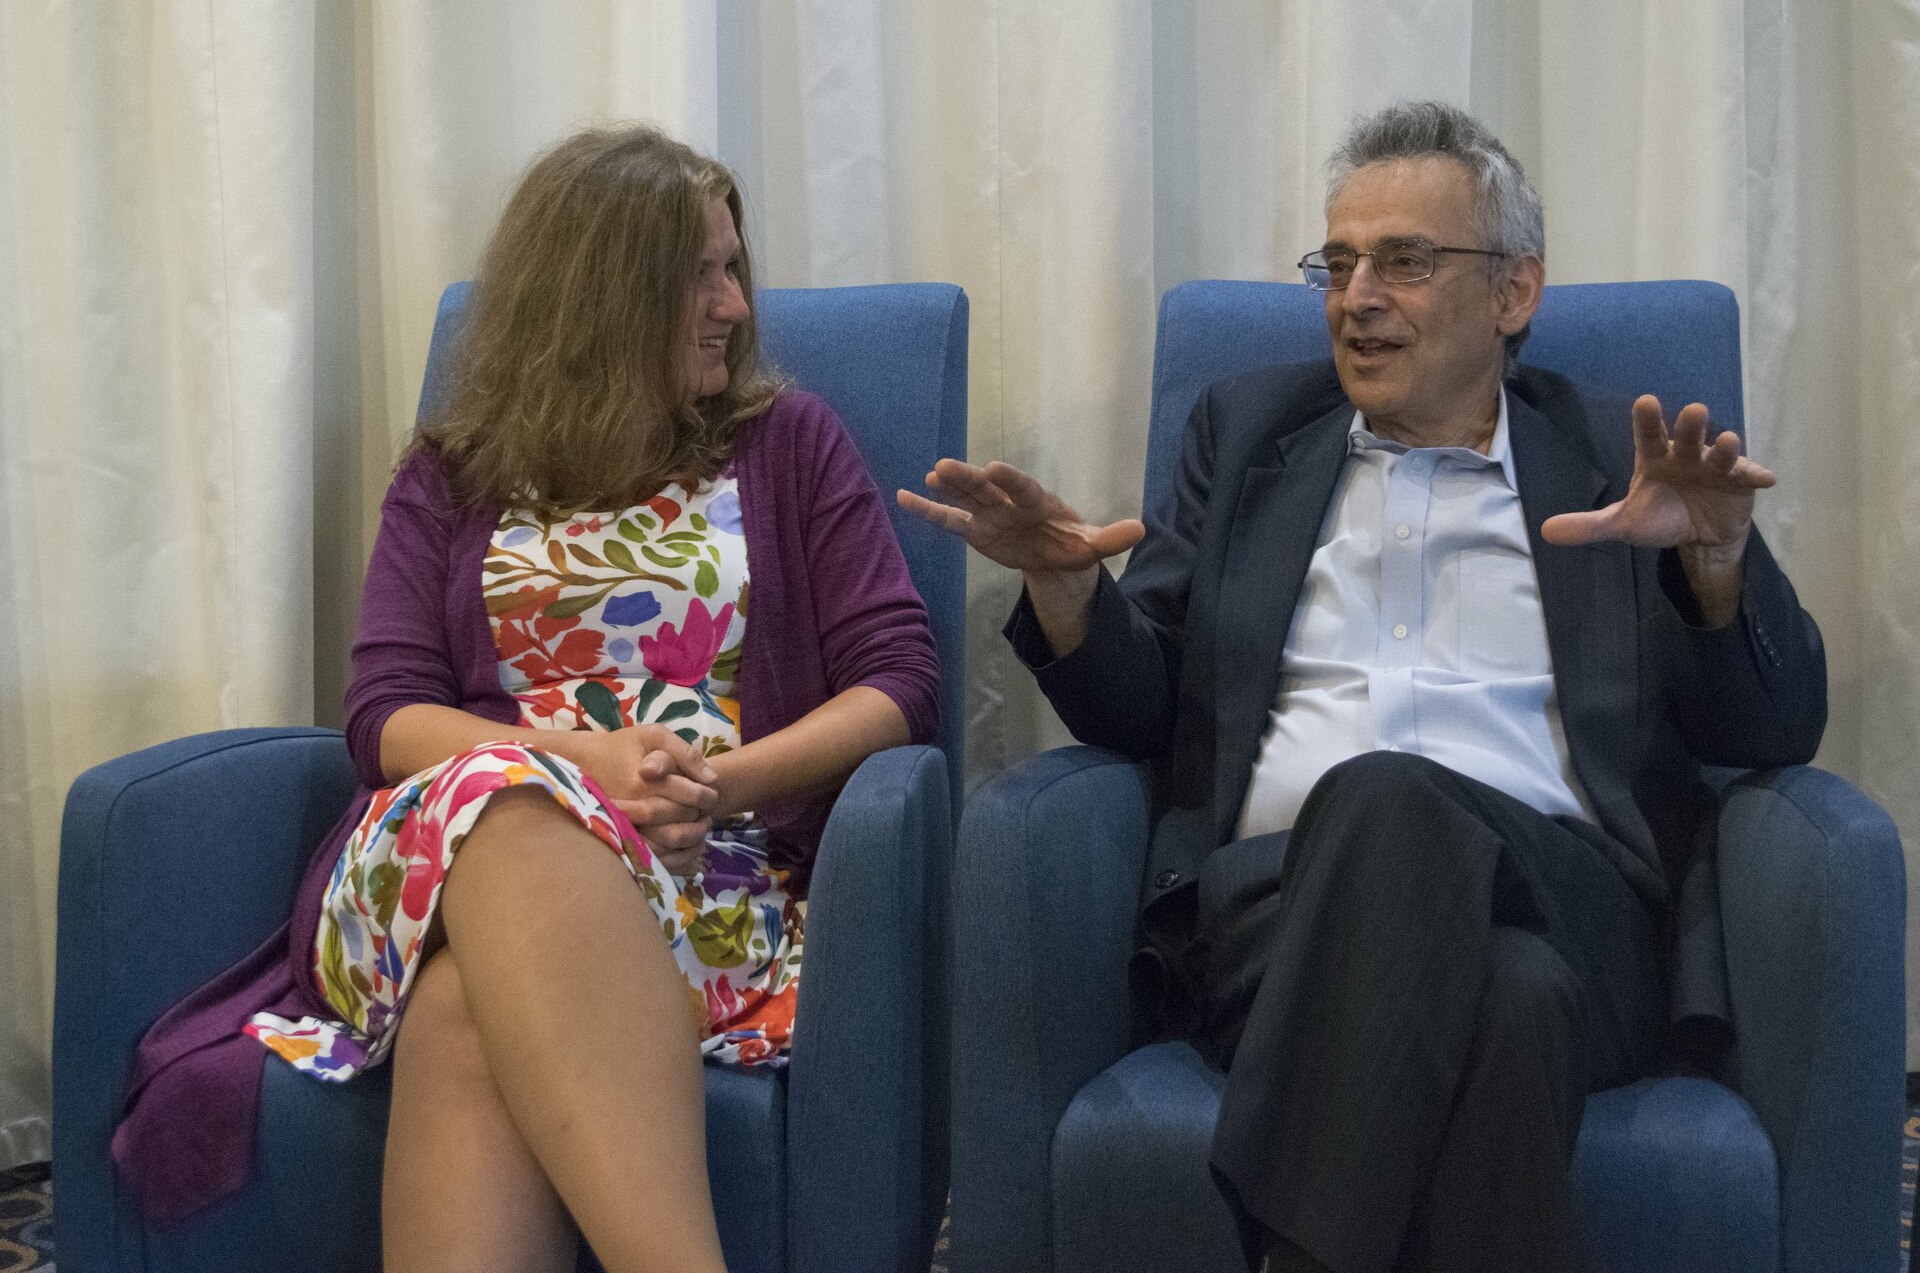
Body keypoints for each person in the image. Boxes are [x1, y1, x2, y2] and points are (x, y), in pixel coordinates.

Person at [901, 101, 1824, 1273]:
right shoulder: (1248, 434)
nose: (1357, 298)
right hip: (1276, 917)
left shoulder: (1615, 464)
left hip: (1578, 899)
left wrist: (1717, 563)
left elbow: (1775, 728)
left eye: (1405, 262)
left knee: (1394, 797)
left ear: (1515, 291)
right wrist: (1069, 590)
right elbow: (1147, 708)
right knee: (1509, 1000)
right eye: (1336, 266)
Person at [114, 125, 941, 1273]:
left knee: (465, 1014)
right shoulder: (451, 475)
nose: (736, 305)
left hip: (699, 880)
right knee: (513, 805)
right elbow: (385, 712)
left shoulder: (787, 444)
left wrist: (712, 784)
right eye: (701, 275)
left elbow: (900, 678)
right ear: (608, 293)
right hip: (438, 866)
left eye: (733, 268)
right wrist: (581, 766)